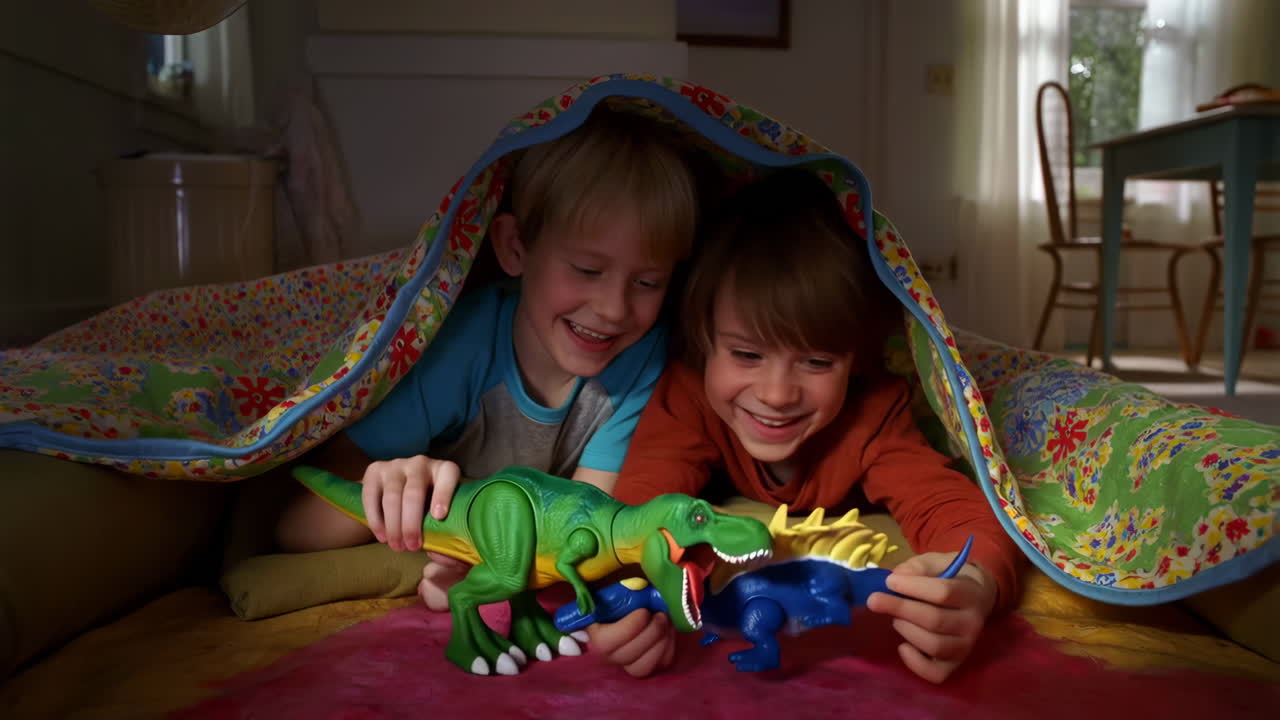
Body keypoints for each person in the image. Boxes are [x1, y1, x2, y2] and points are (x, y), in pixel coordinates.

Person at [587, 168, 1023, 683]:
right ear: (702, 338)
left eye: (817, 363)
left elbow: (951, 507)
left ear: (855, 358)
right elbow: (641, 509)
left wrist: (972, 586)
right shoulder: (687, 392)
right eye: (746, 353)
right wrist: (629, 595)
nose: (777, 394)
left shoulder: (872, 410)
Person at [275, 105, 700, 614]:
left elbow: (584, 531)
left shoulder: (642, 353)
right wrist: (391, 487)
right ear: (515, 247)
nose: (613, 308)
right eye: (587, 269)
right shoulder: (458, 349)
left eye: (648, 282)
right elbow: (295, 527)